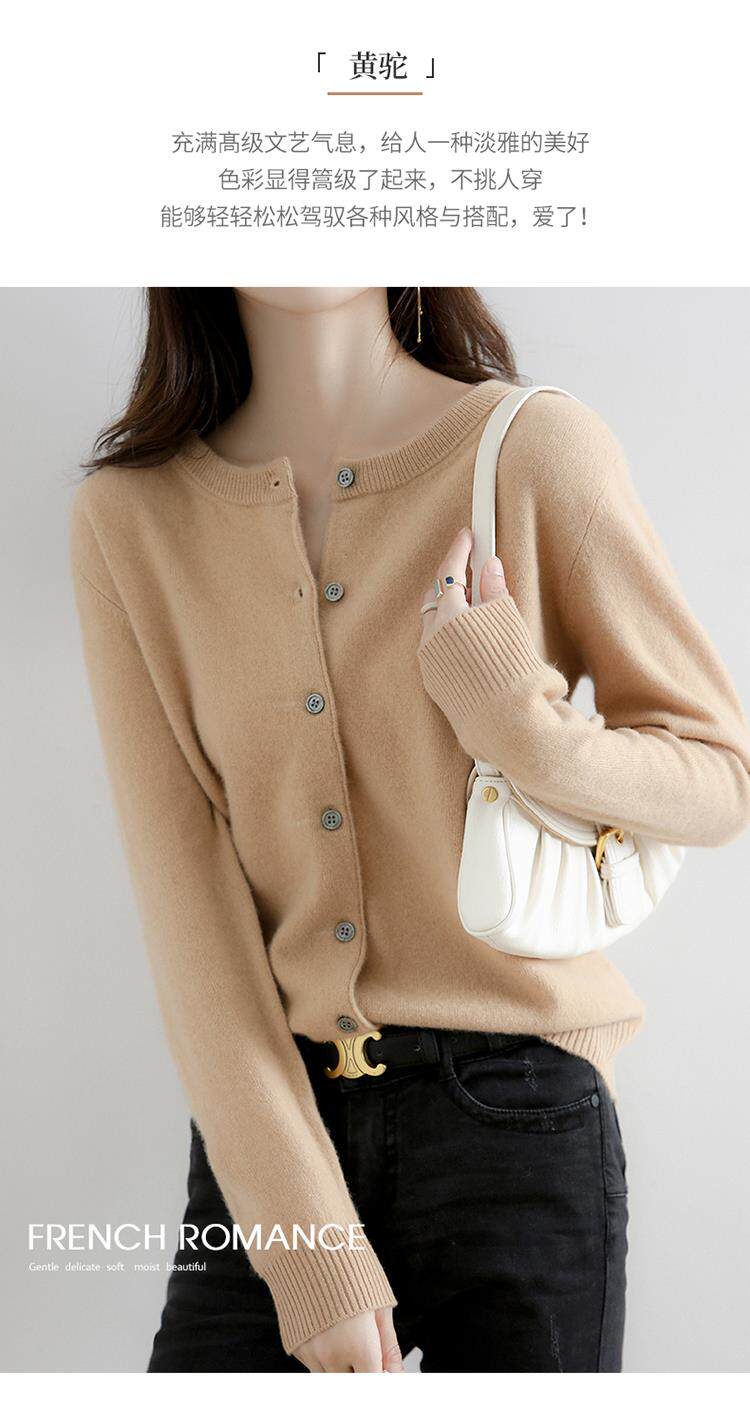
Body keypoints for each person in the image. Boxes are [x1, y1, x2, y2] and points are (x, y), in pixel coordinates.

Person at [69, 287, 750, 1372]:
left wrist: (519, 728)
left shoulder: (530, 451)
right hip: (272, 1138)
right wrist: (309, 1251)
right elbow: (186, 909)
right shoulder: (129, 520)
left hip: (519, 1122)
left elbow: (718, 778)